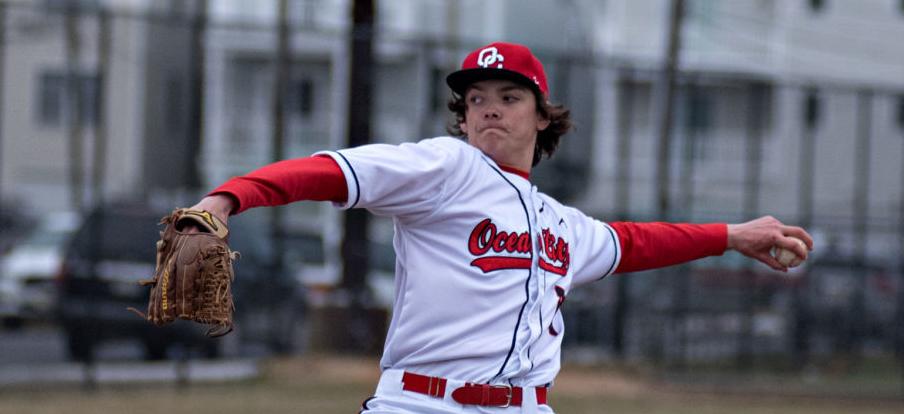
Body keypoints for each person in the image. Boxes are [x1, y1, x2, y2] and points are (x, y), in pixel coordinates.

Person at [189, 42, 813, 413]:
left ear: (544, 117)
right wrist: (228, 199)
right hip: (422, 403)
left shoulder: (560, 224)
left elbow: (631, 243)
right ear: (461, 119)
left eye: (510, 96)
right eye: (476, 98)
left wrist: (733, 235)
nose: (488, 105)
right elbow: (331, 171)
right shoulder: (445, 166)